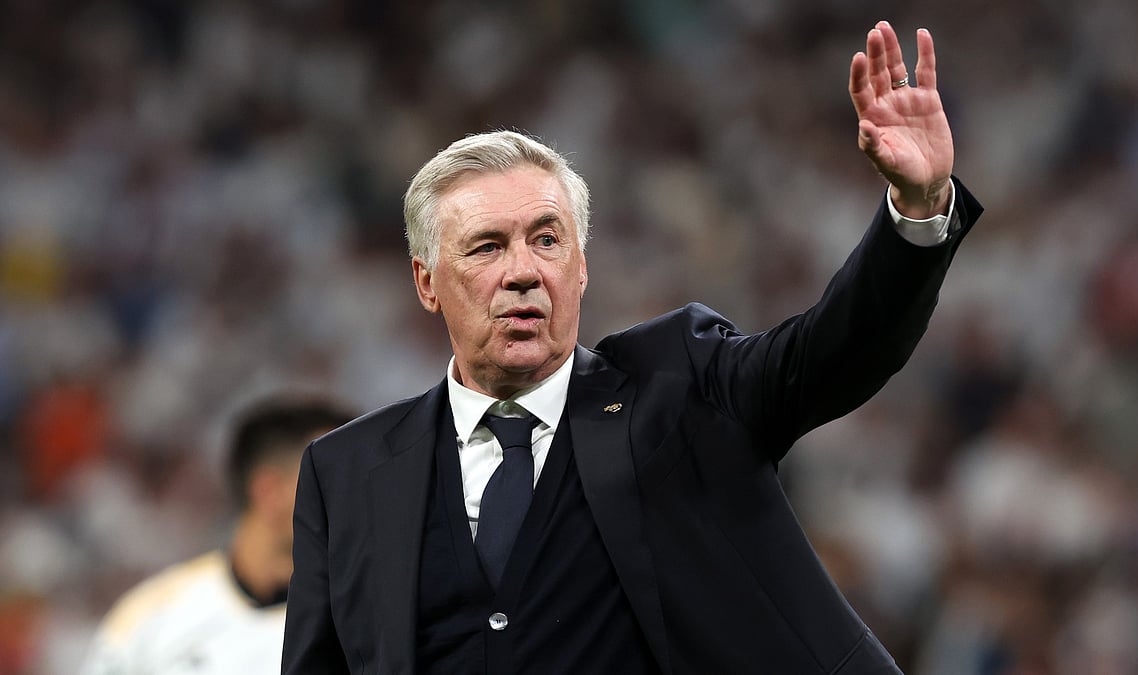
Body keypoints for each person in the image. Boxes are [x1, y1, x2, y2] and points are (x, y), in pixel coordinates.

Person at [283, 20, 983, 674]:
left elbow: (835, 350)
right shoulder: (344, 474)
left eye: (547, 240)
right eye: (488, 246)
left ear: (581, 267)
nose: (523, 271)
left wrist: (917, 210)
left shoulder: (680, 385)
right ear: (427, 282)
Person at [80, 395, 354, 675]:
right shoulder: (148, 621)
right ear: (270, 493)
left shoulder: (366, 623)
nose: (359, 500)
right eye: (338, 481)